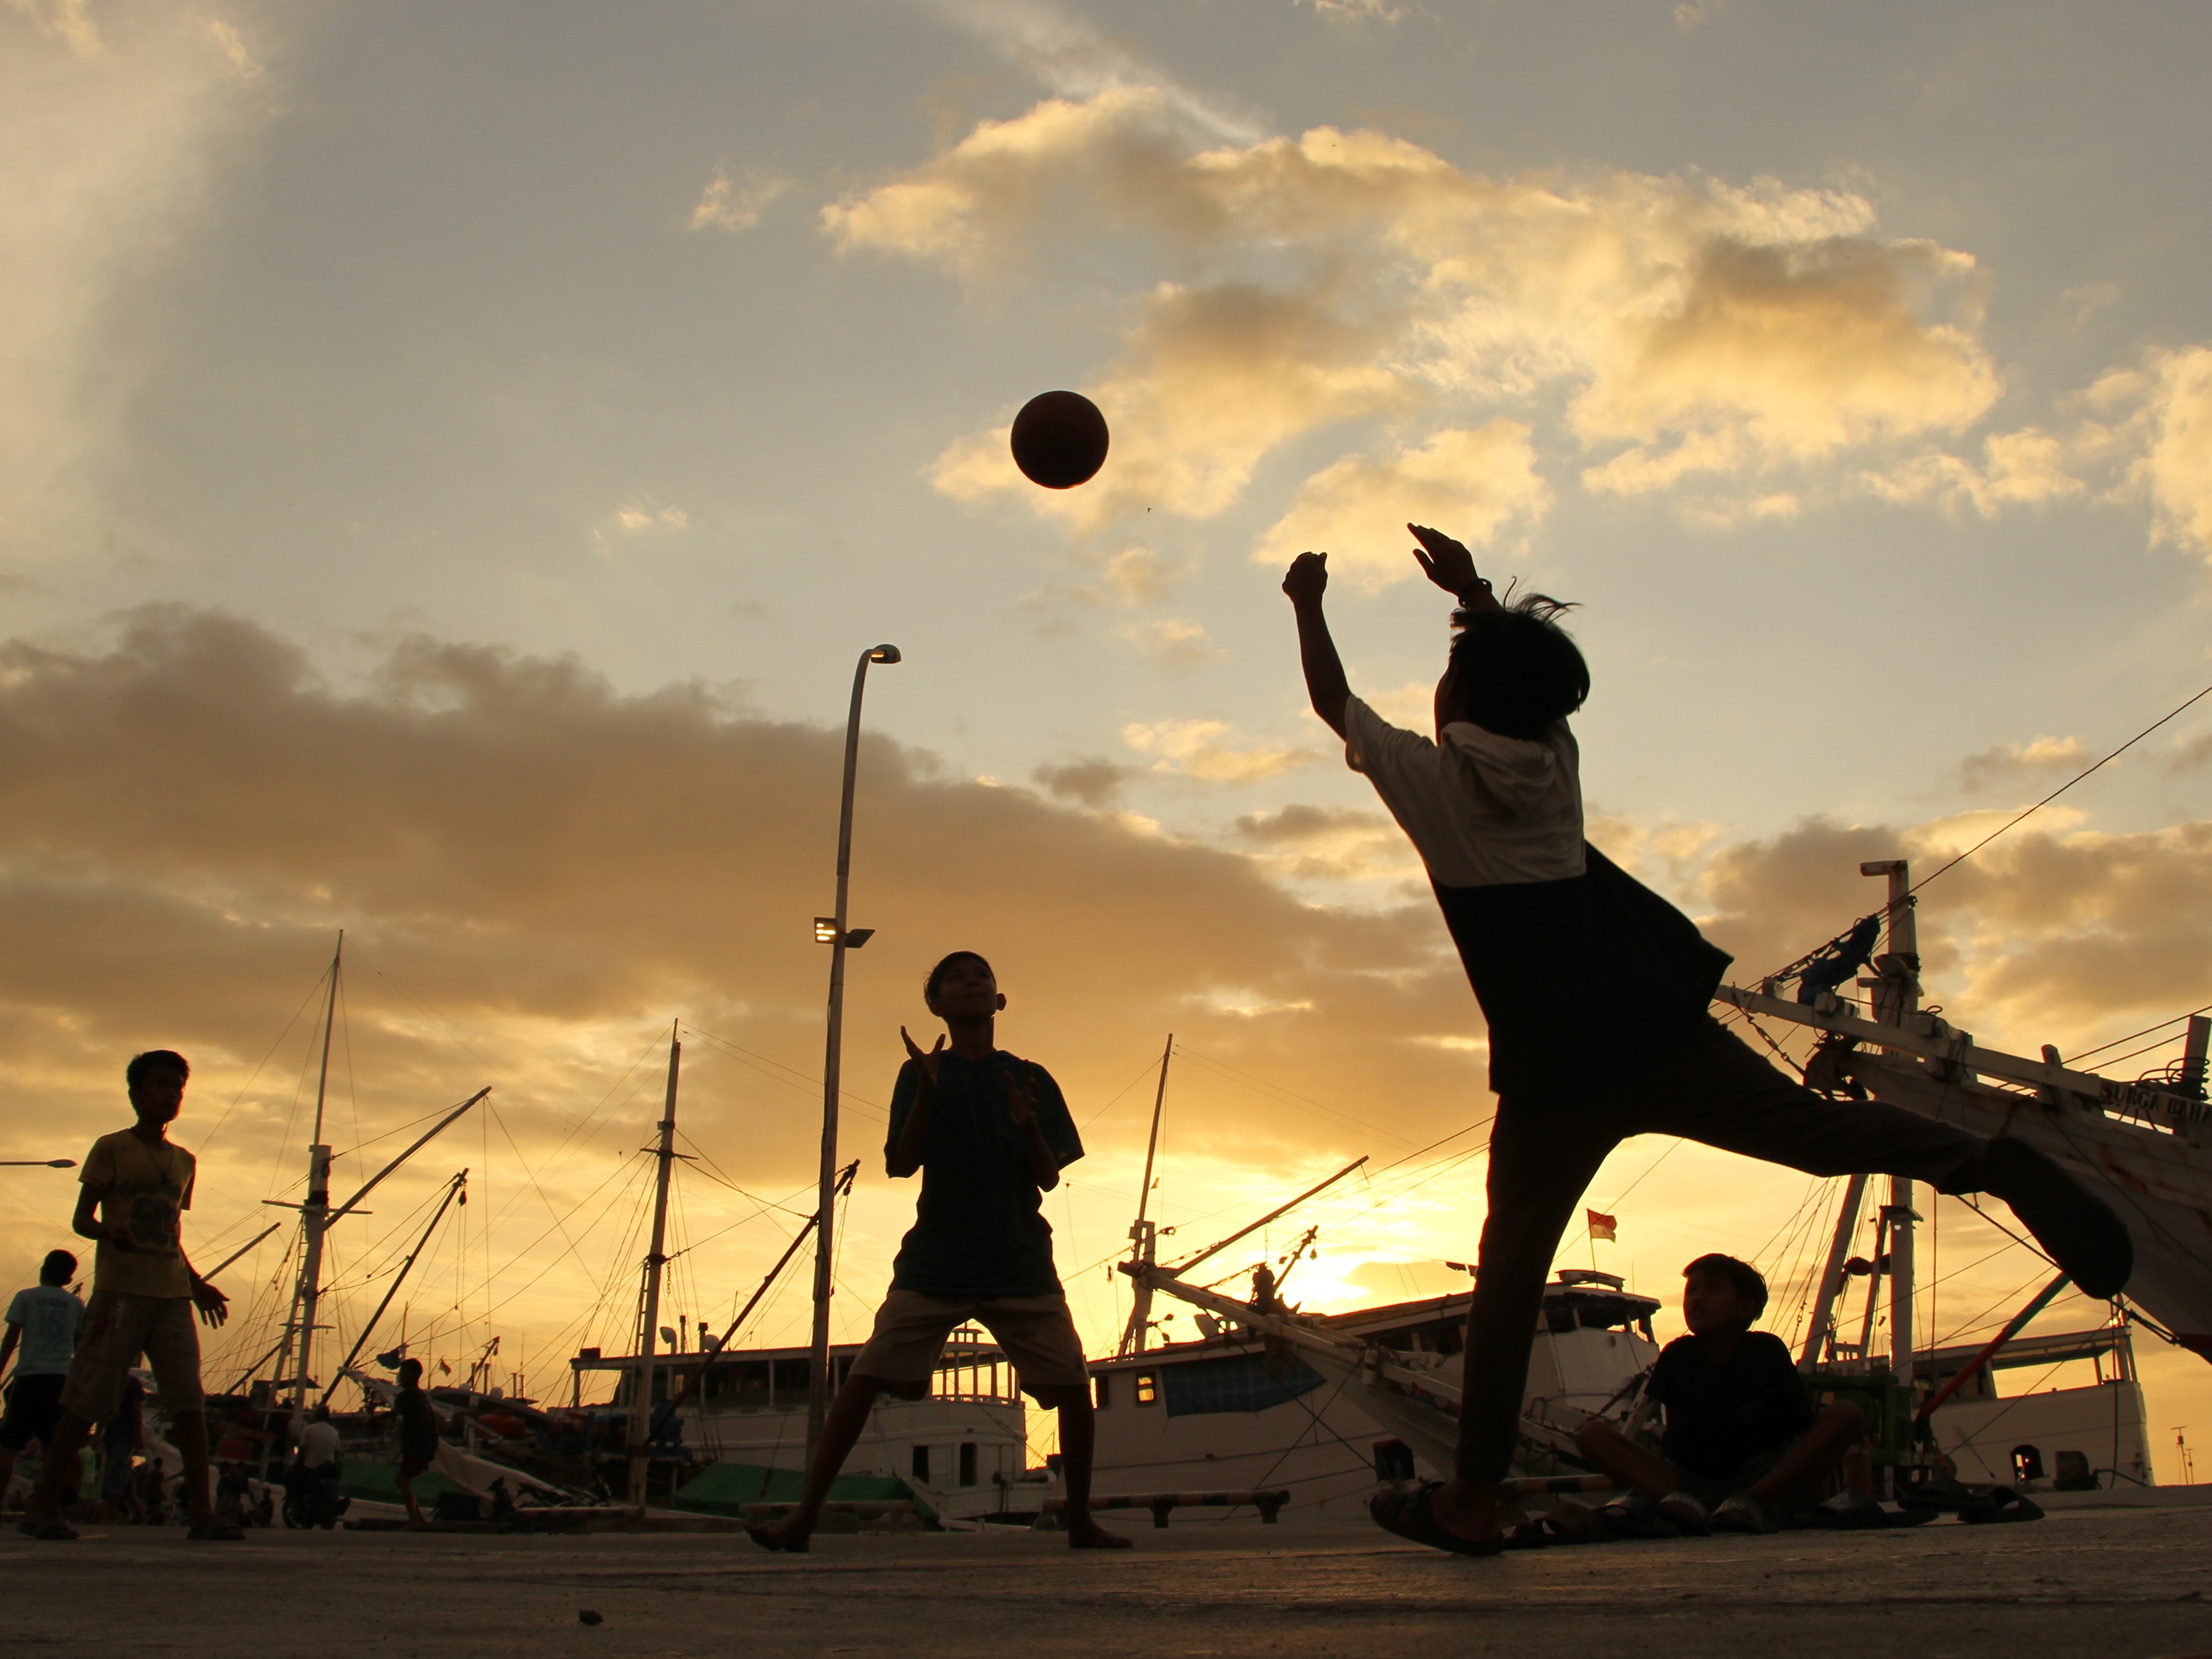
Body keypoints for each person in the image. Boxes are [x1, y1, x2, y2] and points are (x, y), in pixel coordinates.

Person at [1281, 530, 2135, 1556]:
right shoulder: (1554, 762)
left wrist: (1306, 604)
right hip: (1661, 1024)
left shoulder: (1443, 793)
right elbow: (1515, 683)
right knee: (1817, 1133)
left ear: (1456, 707)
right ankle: (1985, 1160)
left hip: (1560, 1079)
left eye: (1448, 677)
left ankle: (1469, 1497)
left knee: (1509, 1279)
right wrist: (1469, 592)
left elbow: (1337, 703)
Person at [750, 951, 1129, 1554]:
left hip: (1018, 1259)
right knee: (865, 1377)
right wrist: (927, 1091)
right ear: (937, 1005)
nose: (972, 982)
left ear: (999, 1000)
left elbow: (1050, 1177)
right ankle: (803, 1519)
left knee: (1072, 1386)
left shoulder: (1031, 1076)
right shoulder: (920, 1073)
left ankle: (1079, 1519)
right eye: (957, 977)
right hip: (937, 1258)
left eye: (982, 975)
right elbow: (900, 1164)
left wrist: (1028, 1124)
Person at [16, 1050, 237, 1541]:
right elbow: (82, 1219)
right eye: (160, 1084)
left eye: (178, 1086)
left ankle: (203, 1513)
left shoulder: (184, 1161)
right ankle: (44, 1505)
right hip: (120, 1295)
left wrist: (196, 1284)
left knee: (188, 1402)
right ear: (136, 1093)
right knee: (86, 1401)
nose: (170, 1093)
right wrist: (107, 1234)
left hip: (171, 1296)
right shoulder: (112, 1148)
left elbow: (170, 1230)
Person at [1576, 1255, 1872, 1533]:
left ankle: (1750, 1501)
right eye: (1691, 1292)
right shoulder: (1678, 1355)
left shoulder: (1766, 1351)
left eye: (1713, 1289)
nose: (1697, 1299)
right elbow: (1677, 1441)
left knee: (1847, 1414)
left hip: (1761, 1475)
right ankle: (1684, 1504)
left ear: (1745, 1308)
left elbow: (1797, 1433)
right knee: (1593, 1435)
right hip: (1691, 1480)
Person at [0, 1250, 86, 1509]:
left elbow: (11, 1338)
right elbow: (79, 1345)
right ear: (69, 1276)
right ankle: (52, 1503)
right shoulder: (75, 1304)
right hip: (61, 1378)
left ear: (44, 1270)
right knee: (53, 1443)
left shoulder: (26, 1298)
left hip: (30, 1375)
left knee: (8, 1443)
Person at [393, 1358, 440, 1528]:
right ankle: (418, 1519)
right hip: (423, 1446)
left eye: (402, 1374)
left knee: (403, 1481)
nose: (399, 1377)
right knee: (404, 1480)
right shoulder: (421, 1396)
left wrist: (371, 1420)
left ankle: (414, 1520)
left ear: (412, 1375)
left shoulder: (408, 1395)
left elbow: (394, 1414)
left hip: (416, 1446)